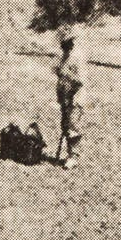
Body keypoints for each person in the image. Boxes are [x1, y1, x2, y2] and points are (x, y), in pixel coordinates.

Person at [54, 28, 83, 169]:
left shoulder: (76, 58)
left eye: (67, 42)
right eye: (63, 42)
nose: (64, 45)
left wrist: (66, 75)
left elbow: (80, 81)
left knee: (72, 125)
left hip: (75, 98)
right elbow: (61, 74)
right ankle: (69, 154)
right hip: (64, 97)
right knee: (65, 125)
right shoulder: (63, 58)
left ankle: (74, 156)